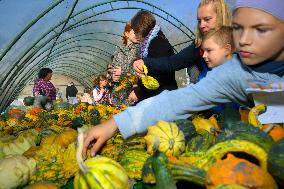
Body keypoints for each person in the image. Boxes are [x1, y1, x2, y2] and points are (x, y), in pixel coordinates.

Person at [82, 0, 284, 157]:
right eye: (238, 28)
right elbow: (178, 100)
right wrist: (116, 123)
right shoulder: (234, 73)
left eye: (261, 29)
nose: (245, 39)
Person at [133, 0, 231, 84]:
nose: (202, 25)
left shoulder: (237, 45)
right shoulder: (198, 45)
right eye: (199, 21)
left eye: (207, 19)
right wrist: (145, 62)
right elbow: (172, 62)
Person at [115, 10, 178, 103]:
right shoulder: (150, 44)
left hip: (162, 98)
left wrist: (139, 91)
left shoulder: (158, 43)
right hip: (157, 96)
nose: (136, 35)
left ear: (141, 29)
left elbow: (158, 75)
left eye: (136, 31)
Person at [110, 22, 140, 106]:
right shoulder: (118, 51)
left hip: (130, 94)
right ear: (126, 34)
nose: (138, 35)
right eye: (135, 32)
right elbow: (112, 70)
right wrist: (112, 77)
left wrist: (122, 73)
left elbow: (140, 73)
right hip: (117, 95)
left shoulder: (139, 50)